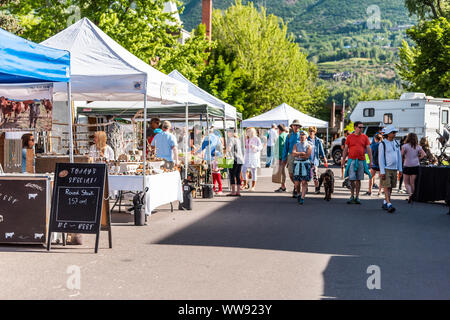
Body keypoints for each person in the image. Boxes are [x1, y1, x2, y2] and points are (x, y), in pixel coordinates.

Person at [341, 121, 373, 204]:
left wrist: (370, 161)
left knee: (359, 179)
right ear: (355, 127)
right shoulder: (349, 137)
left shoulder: (365, 137)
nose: (361, 129)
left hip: (361, 161)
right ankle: (352, 195)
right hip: (351, 160)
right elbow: (345, 149)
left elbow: (369, 149)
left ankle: (357, 196)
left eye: (362, 127)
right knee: (351, 179)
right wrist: (343, 160)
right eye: (360, 127)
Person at [378, 125, 402, 213]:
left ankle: (385, 202)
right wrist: (382, 171)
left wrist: (400, 169)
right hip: (386, 168)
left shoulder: (396, 143)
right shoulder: (383, 144)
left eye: (395, 132)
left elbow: (399, 157)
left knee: (391, 186)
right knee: (386, 186)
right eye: (393, 132)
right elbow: (380, 158)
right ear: (388, 134)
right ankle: (389, 204)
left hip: (394, 169)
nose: (395, 134)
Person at [402, 133, 426, 203]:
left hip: (407, 165)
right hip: (415, 165)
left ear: (408, 138)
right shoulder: (418, 147)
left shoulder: (405, 146)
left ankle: (410, 194)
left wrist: (403, 159)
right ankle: (412, 196)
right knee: (412, 183)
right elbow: (424, 154)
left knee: (406, 183)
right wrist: (418, 158)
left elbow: (401, 154)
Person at [281, 120, 302, 198]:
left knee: (298, 174)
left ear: (299, 127)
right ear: (292, 126)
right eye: (294, 125)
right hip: (291, 156)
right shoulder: (289, 136)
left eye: (297, 125)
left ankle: (296, 189)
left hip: (300, 156)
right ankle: (297, 186)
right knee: (291, 174)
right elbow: (285, 148)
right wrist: (284, 158)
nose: (296, 127)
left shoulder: (302, 134)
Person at [292, 131, 313, 205]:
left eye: (303, 135)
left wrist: (298, 154)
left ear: (306, 137)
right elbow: (293, 153)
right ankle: (298, 193)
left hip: (305, 164)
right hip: (297, 164)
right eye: (300, 135)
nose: (301, 136)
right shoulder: (296, 145)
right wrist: (301, 153)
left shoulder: (309, 146)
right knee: (297, 183)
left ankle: (302, 198)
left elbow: (307, 156)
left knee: (304, 182)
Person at [307, 126, 328, 194]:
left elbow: (321, 150)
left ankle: (317, 188)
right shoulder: (306, 139)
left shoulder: (318, 140)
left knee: (315, 176)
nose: (311, 132)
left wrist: (324, 158)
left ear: (315, 132)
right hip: (307, 160)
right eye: (310, 131)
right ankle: (305, 188)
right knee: (306, 176)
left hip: (315, 160)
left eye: (312, 131)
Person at [242, 127, 263, 191]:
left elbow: (260, 147)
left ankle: (253, 187)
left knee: (253, 171)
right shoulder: (246, 139)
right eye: (246, 131)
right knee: (243, 170)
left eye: (248, 131)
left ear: (252, 132)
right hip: (246, 156)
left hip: (254, 156)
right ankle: (245, 184)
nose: (247, 133)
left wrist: (255, 147)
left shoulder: (257, 138)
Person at [226, 130, 244, 196]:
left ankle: (233, 192)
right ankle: (238, 191)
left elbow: (229, 147)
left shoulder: (231, 139)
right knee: (238, 175)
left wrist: (225, 152)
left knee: (232, 175)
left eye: (228, 132)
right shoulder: (238, 139)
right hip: (240, 159)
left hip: (233, 159)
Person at [274, 124, 289, 192]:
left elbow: (281, 148)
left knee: (282, 171)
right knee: (282, 171)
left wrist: (280, 158)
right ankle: (283, 186)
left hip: (282, 156)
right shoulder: (286, 134)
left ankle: (283, 186)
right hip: (286, 155)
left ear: (279, 129)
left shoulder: (281, 136)